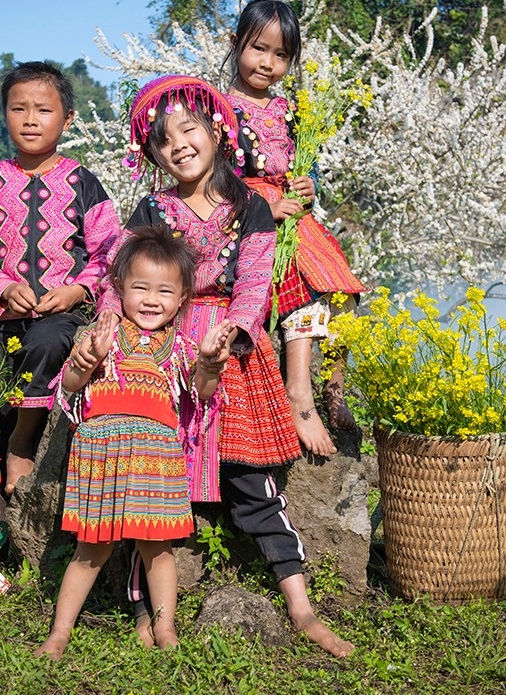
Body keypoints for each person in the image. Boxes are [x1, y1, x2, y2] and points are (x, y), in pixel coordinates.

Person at [112, 74, 354, 658]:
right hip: (165, 352)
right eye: (163, 140)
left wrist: (236, 331)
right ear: (151, 153)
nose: (179, 146)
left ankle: (301, 606)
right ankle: (146, 607)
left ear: (218, 132)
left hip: (235, 354)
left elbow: (253, 281)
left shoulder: (250, 206)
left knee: (254, 486)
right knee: (151, 486)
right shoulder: (152, 209)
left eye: (189, 130)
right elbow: (124, 275)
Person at [37, 227, 236, 660]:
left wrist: (211, 364)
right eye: (140, 287)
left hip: (155, 458)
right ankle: (59, 633)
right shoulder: (101, 337)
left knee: (158, 548)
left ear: (182, 298)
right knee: (92, 548)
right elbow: (69, 385)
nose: (151, 299)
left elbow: (200, 392)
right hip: (101, 454)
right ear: (120, 289)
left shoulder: (180, 347)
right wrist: (85, 362)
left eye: (165, 291)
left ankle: (165, 627)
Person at [0, 60, 121, 497]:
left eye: (44, 110)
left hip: (64, 317)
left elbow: (109, 251)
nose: (31, 119)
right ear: (4, 114)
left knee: (47, 345)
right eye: (19, 108)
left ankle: (24, 444)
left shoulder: (83, 182)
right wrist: (5, 288)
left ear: (67, 119)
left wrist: (77, 289)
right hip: (7, 320)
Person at [223, 0, 368, 455]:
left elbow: (309, 167)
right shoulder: (218, 111)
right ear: (235, 45)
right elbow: (213, 178)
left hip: (296, 218)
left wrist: (309, 185)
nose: (268, 63)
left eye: (281, 55)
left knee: (344, 287)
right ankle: (299, 394)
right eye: (258, 49)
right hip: (246, 222)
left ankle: (334, 388)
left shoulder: (292, 110)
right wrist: (265, 203)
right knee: (296, 280)